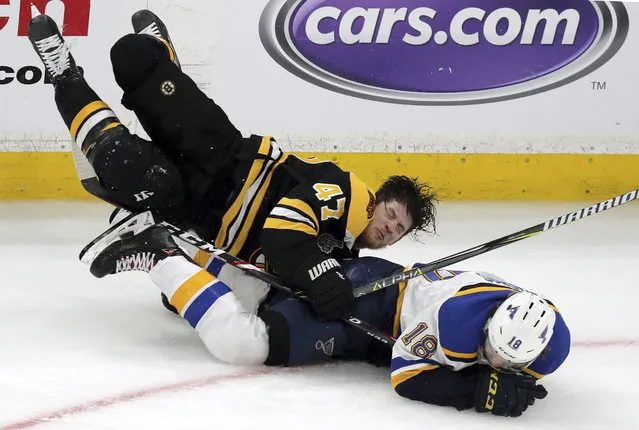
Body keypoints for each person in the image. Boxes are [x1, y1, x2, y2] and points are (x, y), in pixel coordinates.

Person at [26, 11, 437, 322]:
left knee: (118, 159)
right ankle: (165, 57)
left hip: (194, 212)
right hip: (225, 158)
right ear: (377, 201)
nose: (389, 229)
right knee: (131, 56)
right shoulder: (350, 196)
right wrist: (318, 274)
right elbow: (284, 229)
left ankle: (63, 73)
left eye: (399, 231)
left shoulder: (347, 260)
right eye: (391, 215)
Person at [85, 216, 570, 418]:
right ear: (487, 328)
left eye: (502, 360)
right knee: (249, 342)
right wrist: (478, 391)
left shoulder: (549, 343)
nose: (491, 358)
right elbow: (407, 374)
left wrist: (493, 373)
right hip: (371, 301)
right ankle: (159, 257)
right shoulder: (456, 321)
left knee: (264, 296)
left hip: (383, 281)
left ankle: (180, 244)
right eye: (489, 349)